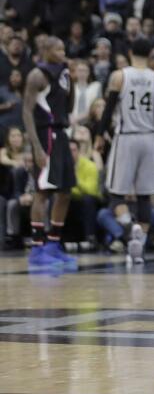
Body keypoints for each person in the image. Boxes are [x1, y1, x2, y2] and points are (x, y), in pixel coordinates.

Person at [95, 38, 154, 264]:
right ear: (151, 54)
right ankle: (140, 245)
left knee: (116, 194)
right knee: (145, 196)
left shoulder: (120, 76)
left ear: (129, 53)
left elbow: (108, 109)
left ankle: (130, 230)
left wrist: (99, 136)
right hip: (150, 138)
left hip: (126, 137)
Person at [23, 36, 78, 269]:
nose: (63, 52)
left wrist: (72, 81)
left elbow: (70, 106)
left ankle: (54, 244)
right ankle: (37, 246)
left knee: (65, 191)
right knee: (43, 191)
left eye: (64, 48)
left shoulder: (64, 73)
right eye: (58, 49)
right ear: (45, 50)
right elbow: (27, 112)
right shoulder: (37, 75)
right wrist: (34, 146)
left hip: (62, 134)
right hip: (45, 135)